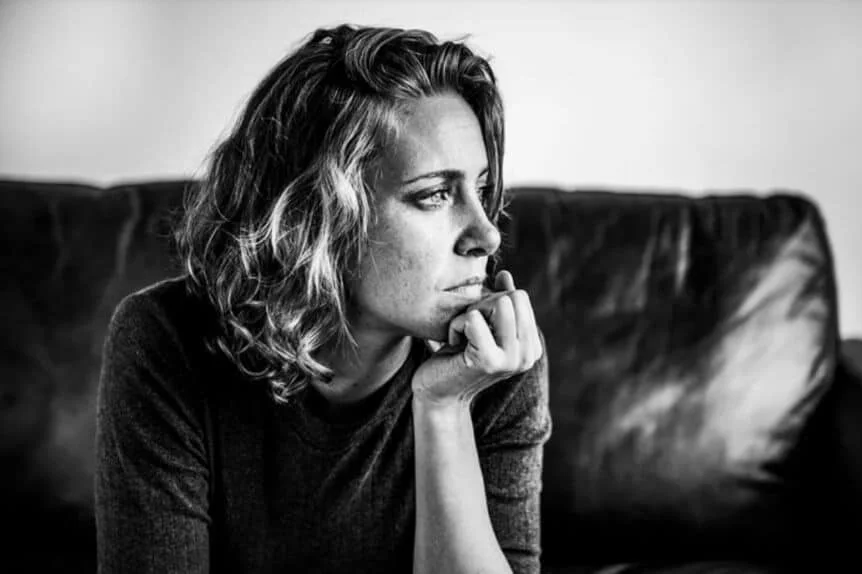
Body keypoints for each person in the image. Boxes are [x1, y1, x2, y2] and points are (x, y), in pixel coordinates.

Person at [94, 24, 551, 574]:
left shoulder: (497, 360)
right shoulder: (165, 342)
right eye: (434, 194)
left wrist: (444, 408)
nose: (488, 235)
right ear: (317, 217)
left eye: (479, 190)